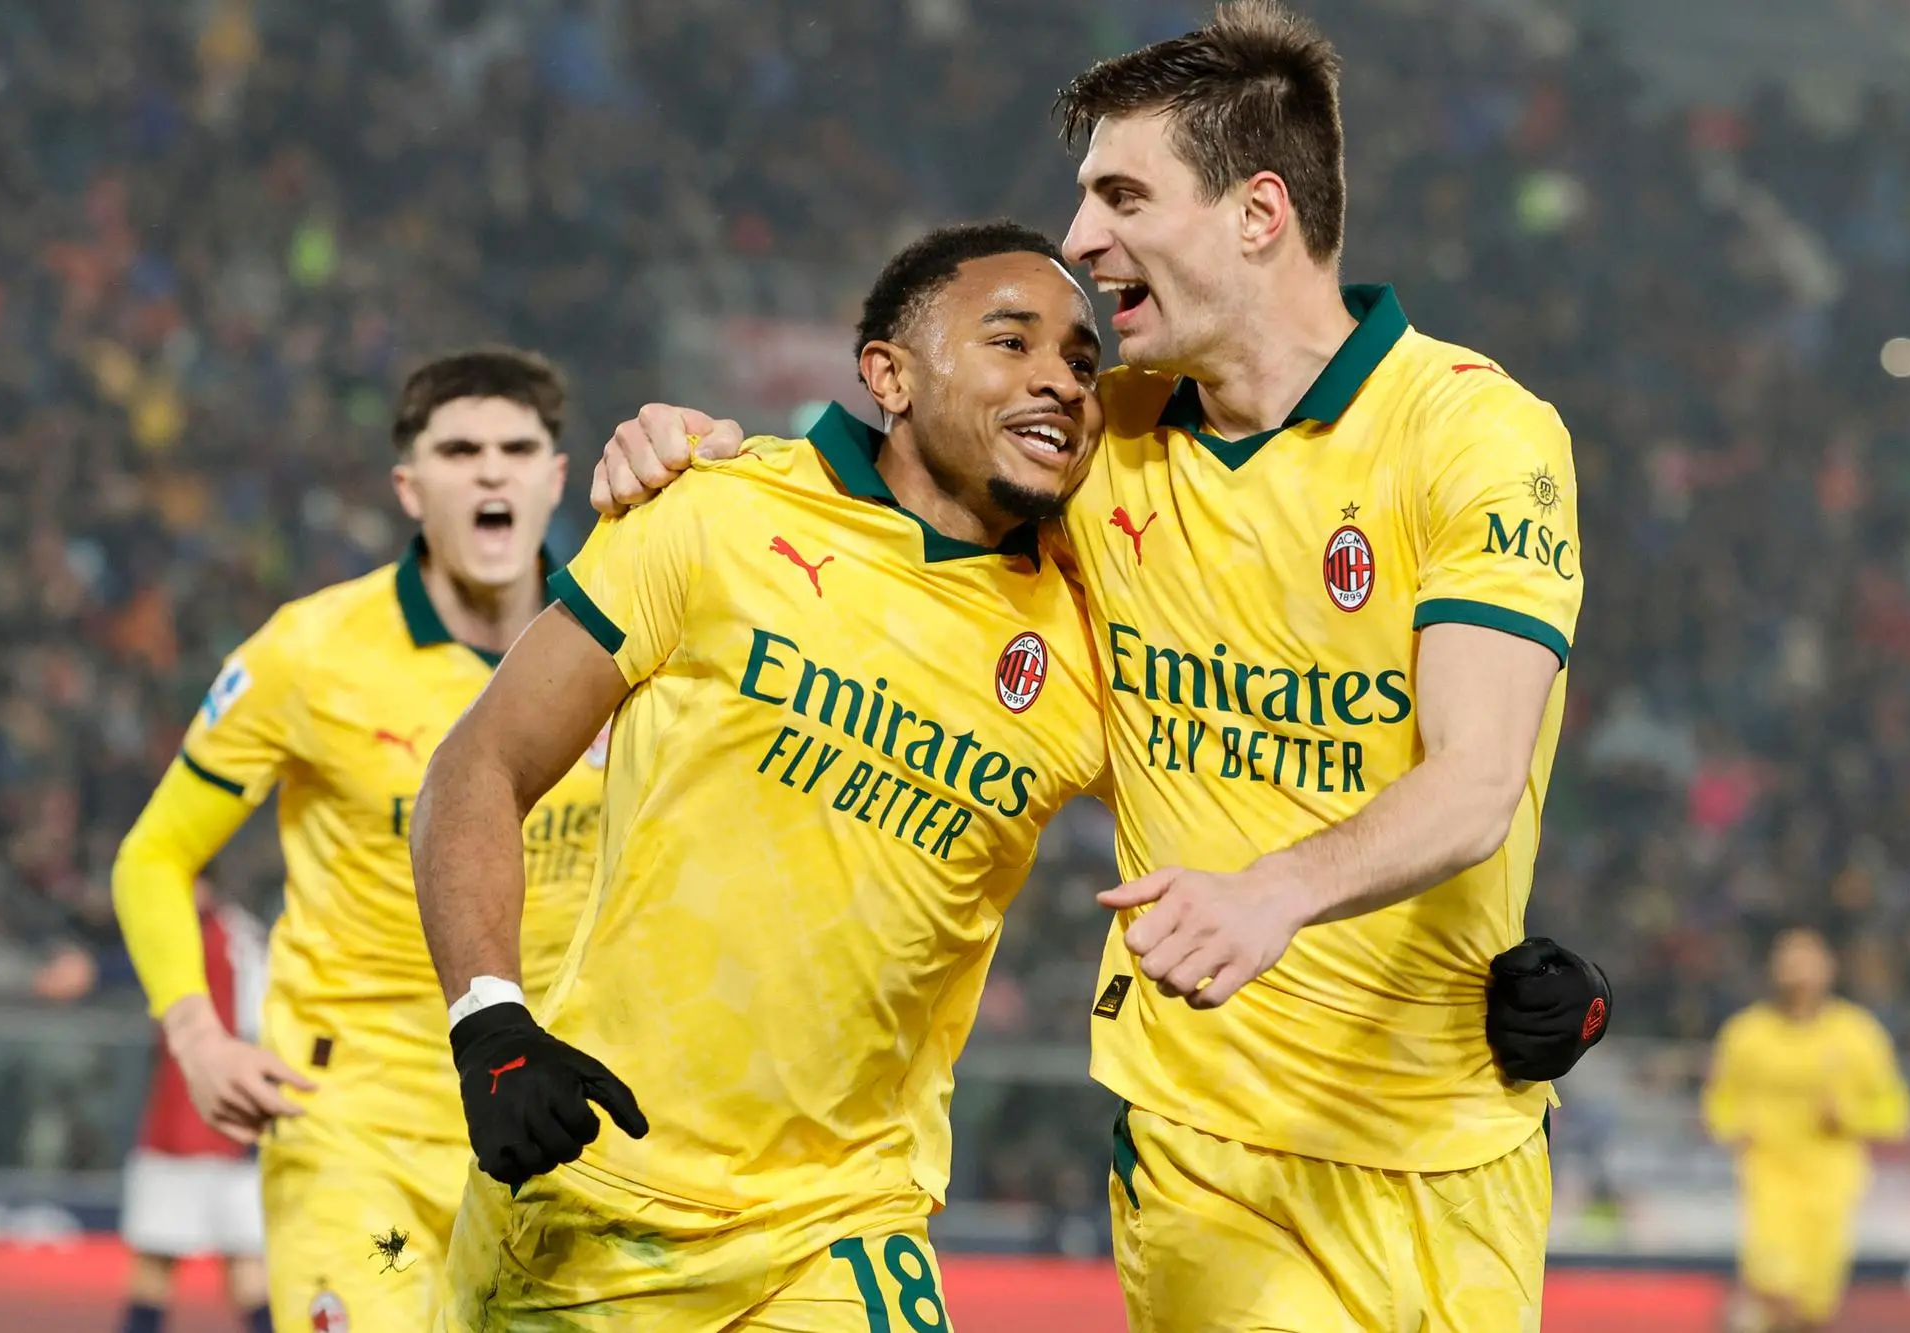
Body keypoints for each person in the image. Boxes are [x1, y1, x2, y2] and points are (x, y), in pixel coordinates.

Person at [589, 4, 1612, 1328]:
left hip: (1453, 1139)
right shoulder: (1093, 436)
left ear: (1257, 214)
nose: (1079, 242)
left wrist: (1286, 896)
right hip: (1204, 1142)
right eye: (1082, 199)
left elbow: (1476, 781)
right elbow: (867, 495)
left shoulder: (1475, 435)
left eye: (1122, 195)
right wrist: (689, 445)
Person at [412, 221, 1110, 1330]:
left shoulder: (1089, 636)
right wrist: (489, 1026)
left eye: (1081, 360)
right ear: (887, 372)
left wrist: (1485, 941)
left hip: (840, 1227)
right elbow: (478, 764)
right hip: (594, 1200)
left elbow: (1262, 804)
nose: (1059, 382)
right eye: (1010, 341)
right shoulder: (714, 512)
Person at [111, 349, 606, 1333]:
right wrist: (197, 1034)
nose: (491, 472)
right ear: (408, 486)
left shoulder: (624, 642)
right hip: (351, 1125)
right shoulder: (308, 652)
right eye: (459, 450)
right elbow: (154, 856)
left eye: (517, 449)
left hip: (553, 1120)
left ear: (555, 477)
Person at [1704, 927, 1910, 1333]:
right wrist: (1733, 1127)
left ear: (1828, 969)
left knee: (1813, 1313)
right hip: (1770, 1179)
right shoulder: (1747, 1034)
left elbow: (1895, 1112)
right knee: (1775, 1292)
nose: (1796, 971)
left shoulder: (1857, 1034)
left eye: (1806, 960)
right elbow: (1719, 1100)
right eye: (1787, 959)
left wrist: (1848, 1116)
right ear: (1774, 970)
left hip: (1832, 1185)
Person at [118, 887, 273, 1333]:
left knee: (154, 1265)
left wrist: (91, 971)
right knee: (248, 1268)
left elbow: (141, 964)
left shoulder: (197, 932)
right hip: (243, 1120)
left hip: (186, 1119)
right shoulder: (243, 930)